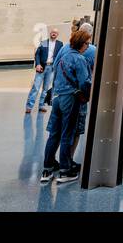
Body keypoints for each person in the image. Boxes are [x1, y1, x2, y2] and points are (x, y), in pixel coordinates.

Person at [41, 28, 92, 184]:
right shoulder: (80, 59)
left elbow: (56, 73)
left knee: (53, 134)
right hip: (70, 99)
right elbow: (85, 82)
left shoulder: (64, 56)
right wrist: (87, 95)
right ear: (81, 44)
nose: (88, 46)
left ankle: (47, 169)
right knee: (67, 134)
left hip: (57, 97)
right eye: (87, 43)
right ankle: (65, 170)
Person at [72, 24, 97, 162]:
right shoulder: (90, 52)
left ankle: (49, 165)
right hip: (79, 96)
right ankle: (67, 164)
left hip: (62, 94)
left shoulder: (65, 48)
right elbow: (85, 81)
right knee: (75, 130)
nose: (87, 46)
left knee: (59, 131)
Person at [27, 28, 63, 114]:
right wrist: (38, 64)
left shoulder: (60, 44)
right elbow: (37, 54)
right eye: (52, 32)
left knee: (45, 89)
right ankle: (29, 106)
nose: (54, 34)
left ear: (57, 34)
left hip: (51, 68)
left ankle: (41, 105)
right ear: (50, 33)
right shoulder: (44, 42)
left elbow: (61, 56)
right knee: (36, 87)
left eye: (55, 33)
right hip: (42, 67)